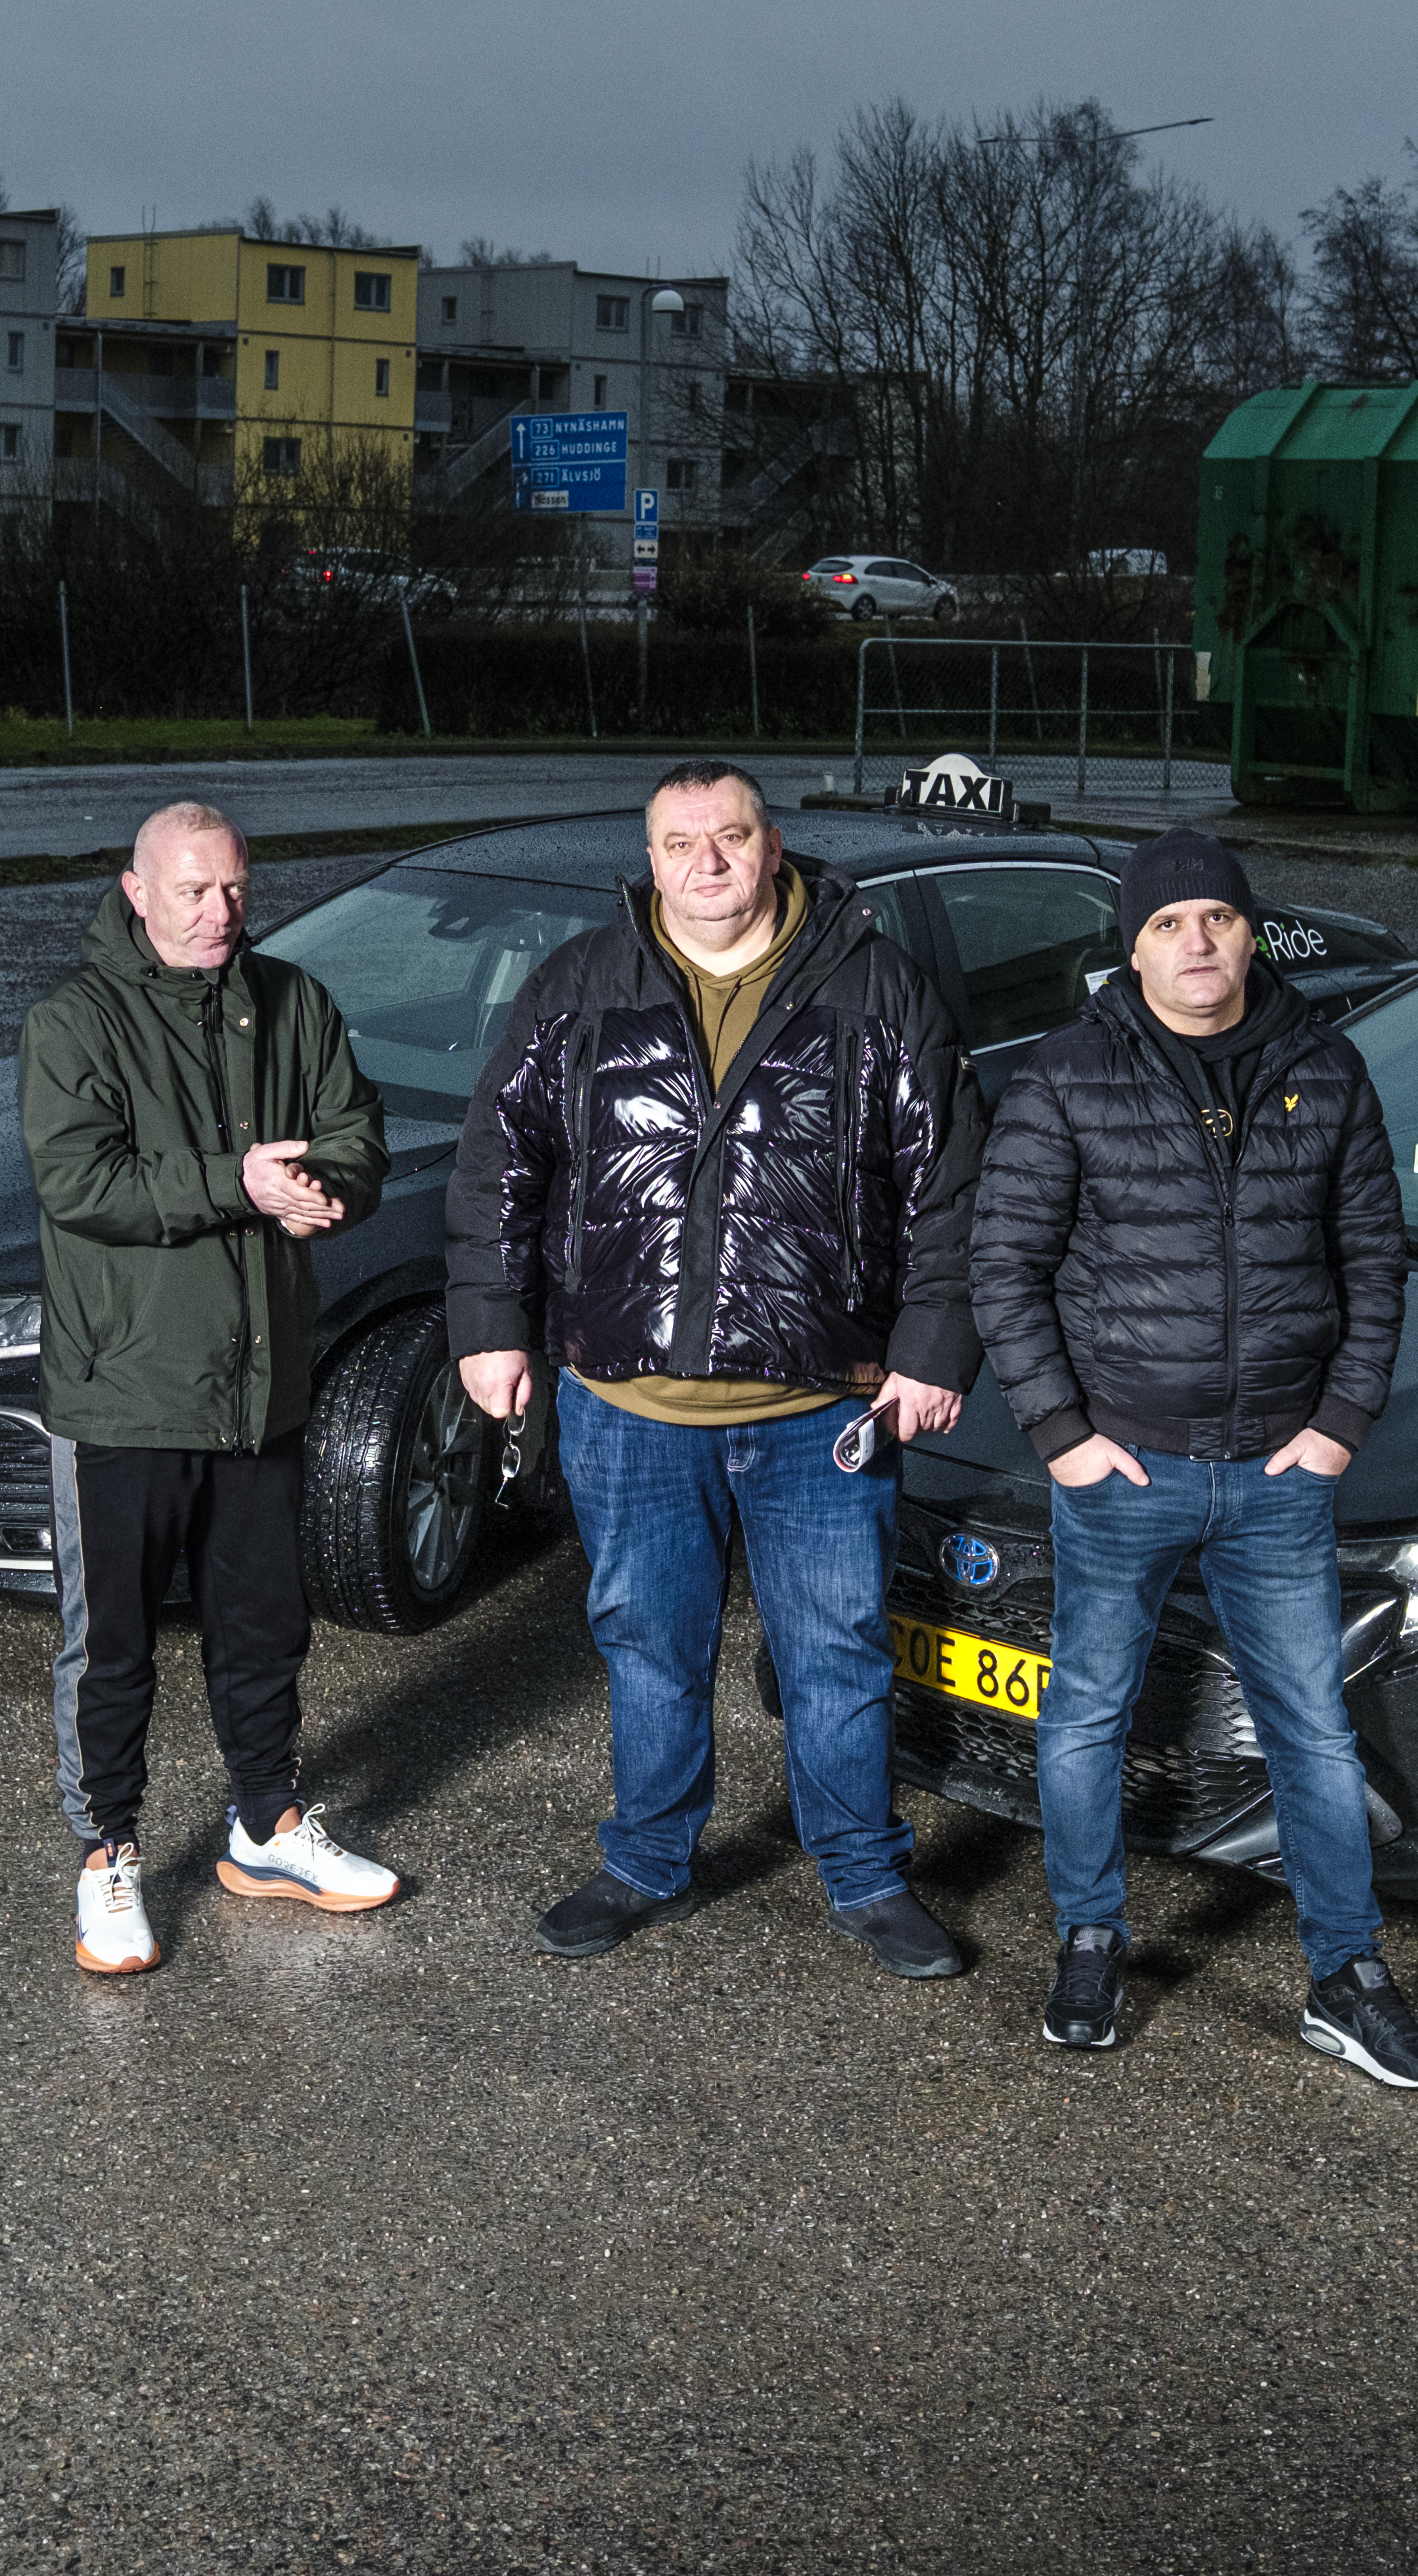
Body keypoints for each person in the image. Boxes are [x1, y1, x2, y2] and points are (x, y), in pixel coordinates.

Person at [446, 761, 986, 1975]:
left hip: (819, 1407)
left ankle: (862, 1871)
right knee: (647, 1641)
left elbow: (948, 1186)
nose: (707, 862)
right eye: (680, 842)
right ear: (648, 859)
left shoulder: (874, 985)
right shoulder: (580, 986)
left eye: (729, 836)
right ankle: (645, 1857)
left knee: (838, 1646)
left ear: (772, 843)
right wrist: (490, 1323)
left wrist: (932, 1347)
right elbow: (499, 1167)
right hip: (628, 1403)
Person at [971, 831, 1418, 2086]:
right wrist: (1064, 1438)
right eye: (1170, 922)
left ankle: (1346, 1976)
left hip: (1279, 1475)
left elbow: (1374, 1264)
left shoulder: (1324, 1067)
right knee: (1085, 1714)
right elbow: (1004, 1267)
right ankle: (1088, 1937)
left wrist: (1338, 1423)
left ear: (1249, 935)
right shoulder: (1067, 1073)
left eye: (1218, 920)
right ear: (1132, 946)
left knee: (1313, 1734)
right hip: (1124, 1466)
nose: (1196, 941)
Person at [18, 799, 400, 1977]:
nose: (217, 912)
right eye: (190, 890)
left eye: (233, 887)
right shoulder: (73, 1020)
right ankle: (106, 1857)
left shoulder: (292, 1002)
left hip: (259, 1382)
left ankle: (265, 1824)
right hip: (125, 1388)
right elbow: (83, 1180)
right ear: (135, 891)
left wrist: (329, 1186)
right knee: (114, 1640)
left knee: (262, 1626)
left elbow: (356, 1132)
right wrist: (240, 1183)